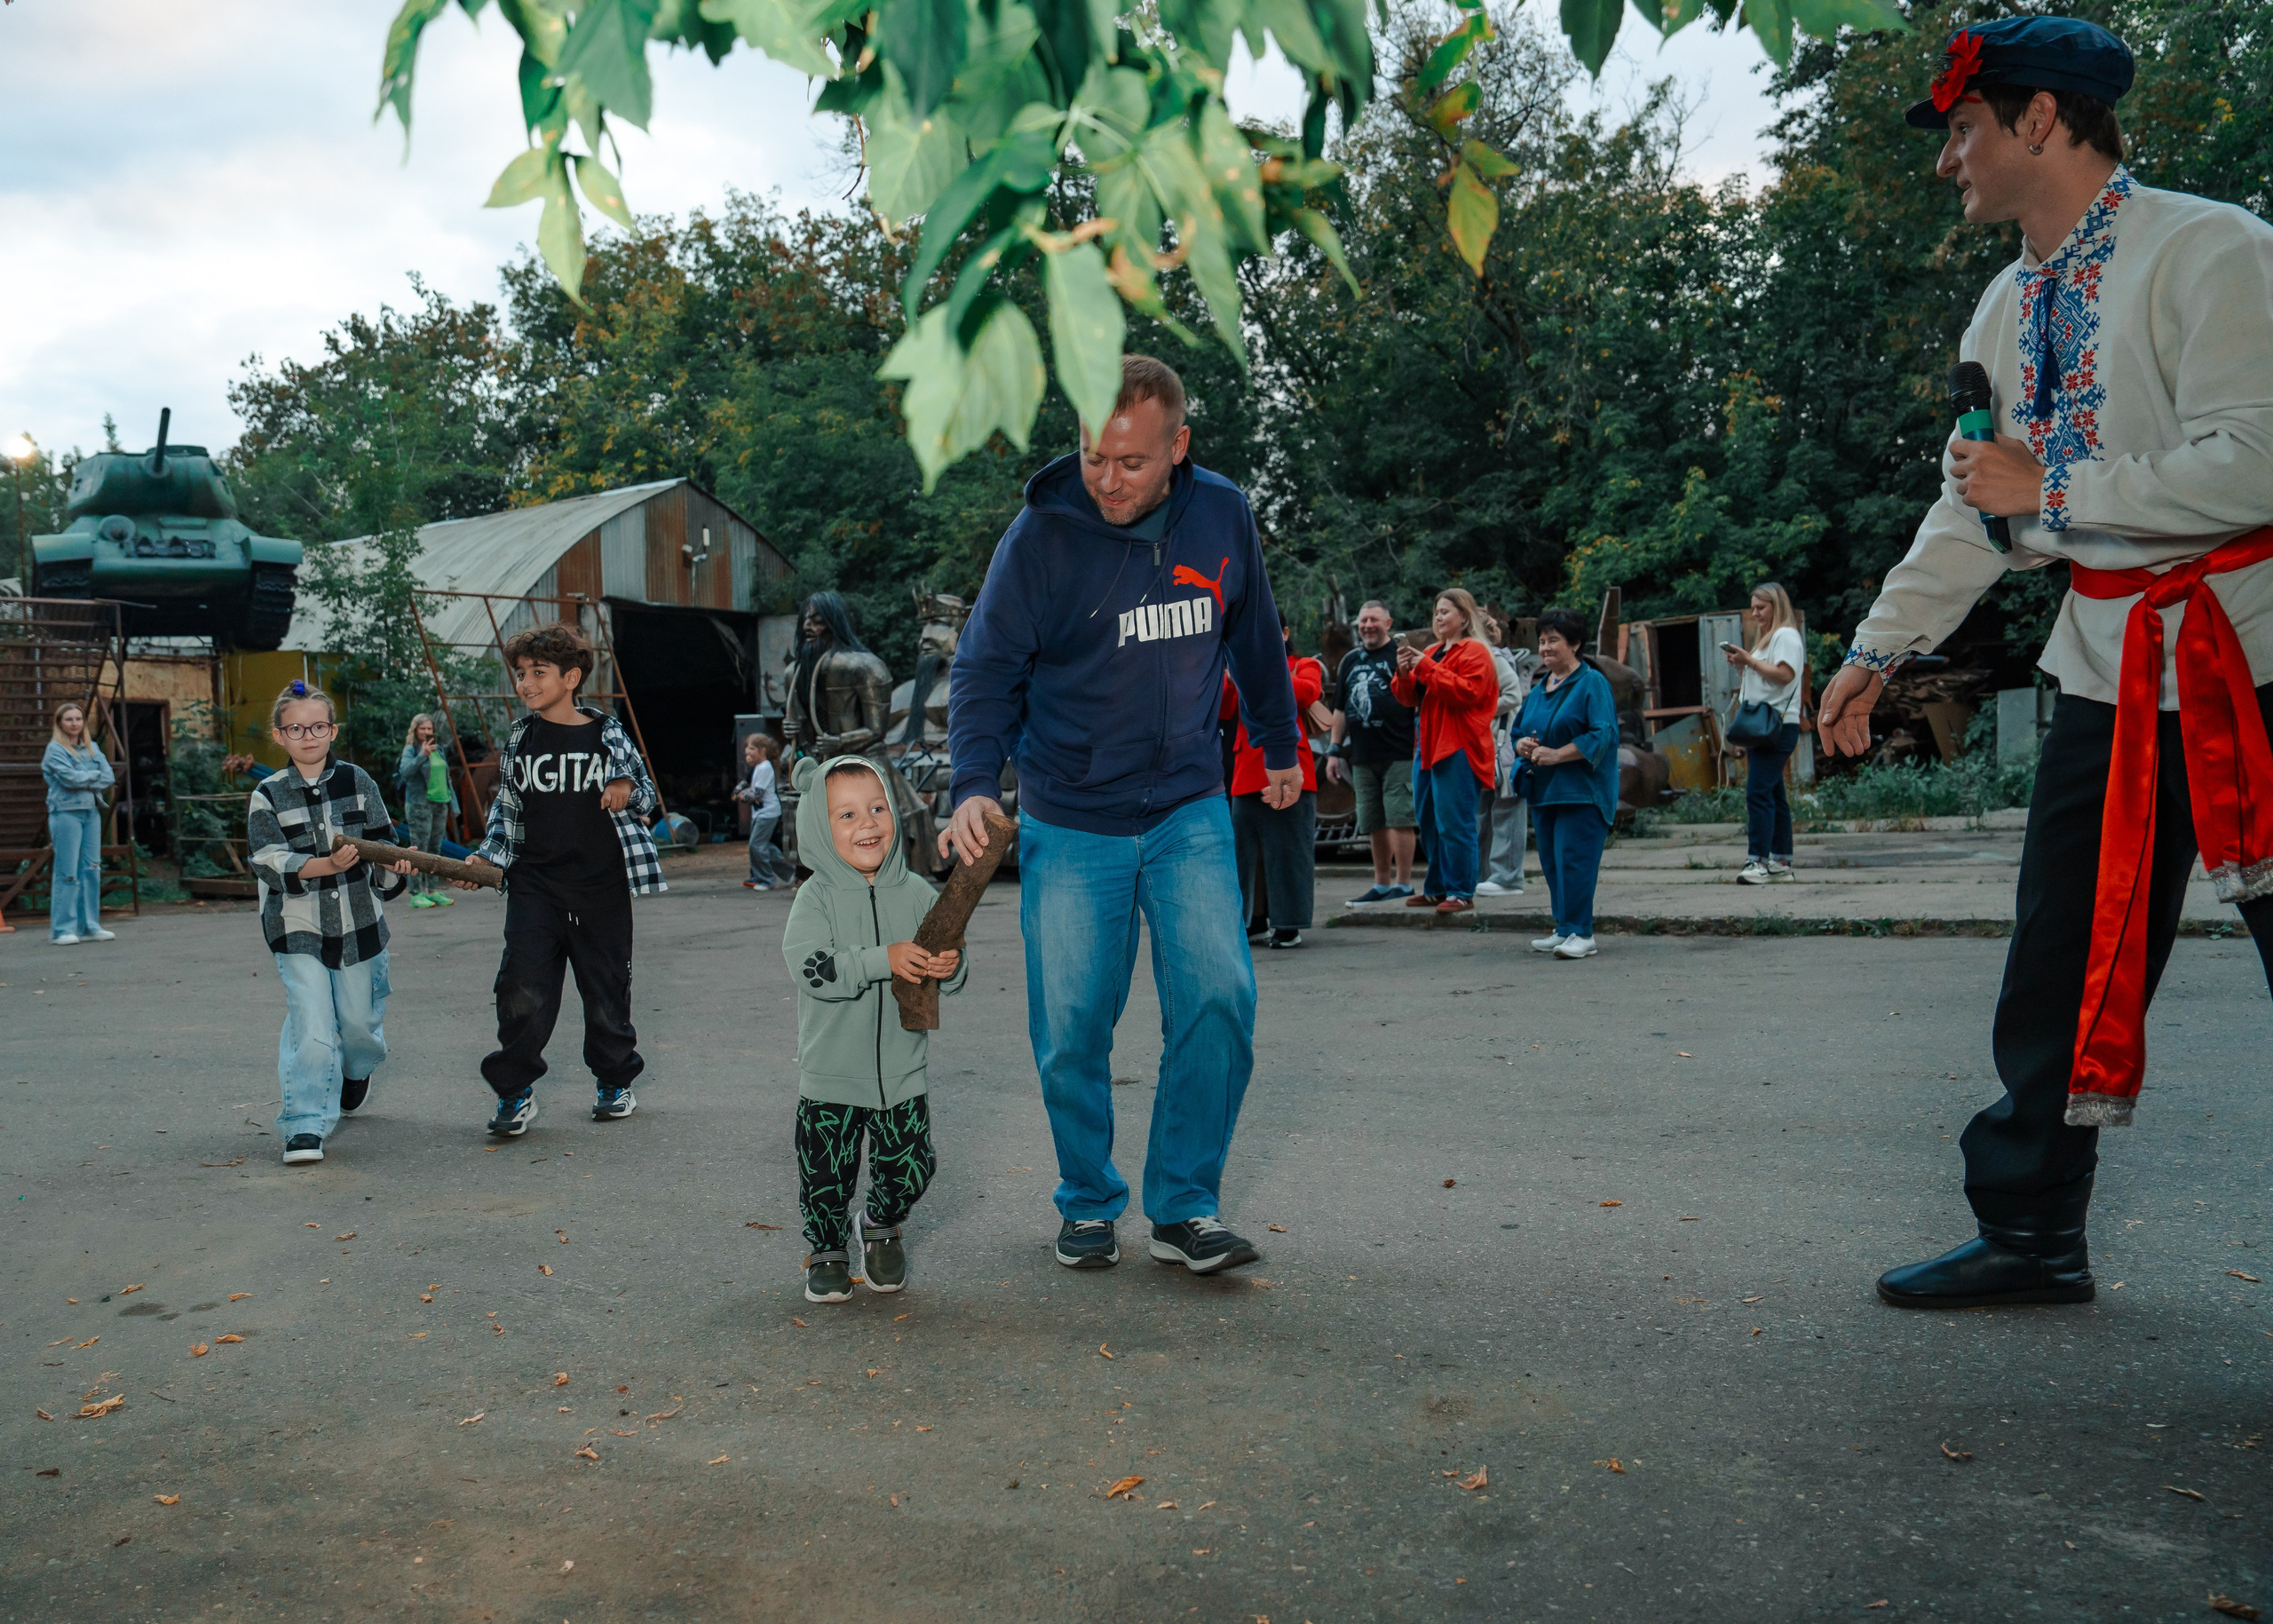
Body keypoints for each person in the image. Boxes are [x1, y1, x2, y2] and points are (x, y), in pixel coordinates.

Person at [1816, 18, 2273, 1310]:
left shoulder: (2213, 248)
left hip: (2254, 656)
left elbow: (2259, 458)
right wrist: (1876, 651)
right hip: (2107, 670)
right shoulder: (2006, 304)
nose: (1947, 159)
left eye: (1963, 130)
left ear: (2041, 120)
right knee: (2056, 962)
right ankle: (2030, 1232)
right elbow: (1976, 507)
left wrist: (2054, 484)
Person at [945, 354, 1299, 1277]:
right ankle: (1089, 1198)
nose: (1108, 480)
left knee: (1219, 996)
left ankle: (1184, 1203)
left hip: (1187, 805)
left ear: (1178, 447)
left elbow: (1253, 631)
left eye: (1133, 462)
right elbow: (984, 670)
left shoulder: (1221, 513)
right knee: (1070, 1024)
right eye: (1094, 457)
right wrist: (973, 781)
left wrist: (1282, 744)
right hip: (1071, 817)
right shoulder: (1040, 538)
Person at [466, 622, 665, 1137]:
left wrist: (624, 785)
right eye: (520, 674)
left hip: (601, 889)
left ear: (572, 677)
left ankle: (615, 1081)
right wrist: (487, 860)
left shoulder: (607, 733)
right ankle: (515, 1093)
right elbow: (507, 811)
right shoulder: (521, 738)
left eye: (538, 672)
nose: (526, 683)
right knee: (520, 989)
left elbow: (647, 801)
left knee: (605, 991)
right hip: (536, 887)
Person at [781, 756, 967, 1303]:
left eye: (878, 808)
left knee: (911, 1166)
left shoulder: (916, 893)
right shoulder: (814, 897)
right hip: (831, 1072)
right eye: (846, 814)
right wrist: (881, 960)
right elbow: (812, 969)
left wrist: (949, 968)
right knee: (825, 1175)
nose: (868, 823)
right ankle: (829, 1249)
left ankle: (881, 1225)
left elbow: (949, 963)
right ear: (819, 826)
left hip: (902, 1069)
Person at [245, 680, 415, 1165]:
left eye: (318, 726)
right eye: (295, 728)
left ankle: (356, 1069)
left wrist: (394, 865)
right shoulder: (268, 794)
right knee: (313, 1026)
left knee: (358, 1027)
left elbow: (384, 844)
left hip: (360, 925)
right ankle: (304, 1126)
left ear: (332, 730)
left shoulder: (360, 782)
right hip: (297, 929)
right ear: (280, 737)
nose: (308, 735)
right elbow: (266, 859)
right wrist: (323, 866)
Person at [1514, 606, 1620, 959]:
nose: (1545, 648)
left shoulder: (1591, 683)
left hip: (1581, 792)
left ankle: (1582, 933)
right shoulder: (1541, 686)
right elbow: (1518, 731)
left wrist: (1557, 755)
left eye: (1553, 640)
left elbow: (1601, 734)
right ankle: (1563, 928)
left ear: (1575, 643)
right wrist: (1522, 745)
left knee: (1575, 861)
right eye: (1542, 641)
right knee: (1553, 862)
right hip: (1545, 791)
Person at [1389, 589, 1499, 915]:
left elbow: (1467, 693)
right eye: (1436, 612)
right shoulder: (1433, 650)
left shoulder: (1476, 650)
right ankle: (1436, 888)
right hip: (1427, 745)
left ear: (1464, 617)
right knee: (1428, 820)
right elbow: (1408, 699)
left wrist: (1425, 666)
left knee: (1455, 822)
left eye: (1445, 612)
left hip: (1458, 744)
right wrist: (1405, 671)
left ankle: (1462, 891)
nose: (1438, 618)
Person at [1226, 616, 1325, 947]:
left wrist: (1255, 670)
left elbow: (1306, 692)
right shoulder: (1238, 665)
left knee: (1288, 851)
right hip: (1246, 772)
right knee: (1245, 853)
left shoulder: (1305, 664)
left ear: (1285, 633)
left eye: (1273, 631)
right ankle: (1253, 920)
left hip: (1291, 768)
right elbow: (1224, 705)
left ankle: (1288, 924)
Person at [1328, 600, 1420, 906]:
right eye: (1363, 620)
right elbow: (1339, 709)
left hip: (1399, 750)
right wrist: (1333, 750)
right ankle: (1381, 883)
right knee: (1372, 820)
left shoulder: (1400, 655)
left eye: (1374, 620)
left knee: (1399, 817)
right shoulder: (1351, 660)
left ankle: (1404, 882)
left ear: (1388, 623)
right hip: (1362, 754)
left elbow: (1418, 701)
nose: (1368, 626)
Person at [1727, 583, 1808, 884]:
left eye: (1761, 607)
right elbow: (1767, 679)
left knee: (1757, 792)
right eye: (1753, 607)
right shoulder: (1768, 639)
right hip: (1767, 726)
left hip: (1776, 726)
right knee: (1774, 793)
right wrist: (1743, 665)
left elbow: (1786, 676)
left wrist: (1750, 661)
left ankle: (1758, 861)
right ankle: (1782, 861)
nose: (1755, 613)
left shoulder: (1785, 635)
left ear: (1777, 606)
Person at [41, 701, 115, 946]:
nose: (74, 723)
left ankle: (90, 925)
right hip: (66, 814)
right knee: (68, 872)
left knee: (92, 869)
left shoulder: (92, 747)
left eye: (78, 719)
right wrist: (92, 776)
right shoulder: (55, 750)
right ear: (60, 723)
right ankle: (63, 929)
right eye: (69, 719)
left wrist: (87, 777)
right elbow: (70, 780)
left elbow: (109, 776)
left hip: (91, 812)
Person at [1475, 614, 1531, 897]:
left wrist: (1475, 711)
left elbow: (1513, 696)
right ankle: (1485, 875)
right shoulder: (1482, 657)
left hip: (1504, 742)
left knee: (1507, 807)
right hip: (1487, 744)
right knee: (1483, 811)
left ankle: (1507, 877)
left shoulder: (1492, 658)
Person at [394, 714, 460, 909]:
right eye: (422, 729)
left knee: (435, 850)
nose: (426, 732)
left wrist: (454, 806)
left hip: (440, 804)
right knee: (419, 849)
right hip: (419, 805)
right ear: (415, 730)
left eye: (429, 729)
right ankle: (416, 893)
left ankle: (433, 891)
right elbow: (405, 772)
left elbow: (447, 779)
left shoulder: (438, 749)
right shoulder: (411, 749)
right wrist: (422, 755)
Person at [734, 732, 791, 890]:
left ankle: (766, 880)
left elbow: (757, 793)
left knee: (756, 846)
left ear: (762, 750)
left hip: (767, 812)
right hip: (761, 813)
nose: (748, 751)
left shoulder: (765, 767)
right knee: (764, 846)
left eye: (752, 748)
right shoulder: (758, 768)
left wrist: (742, 795)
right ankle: (790, 873)